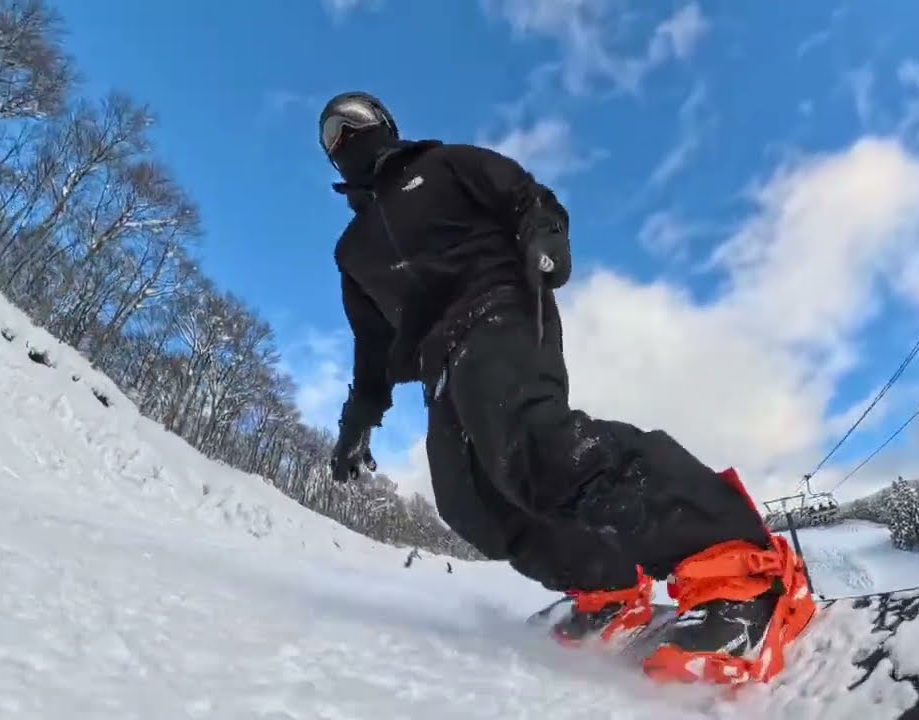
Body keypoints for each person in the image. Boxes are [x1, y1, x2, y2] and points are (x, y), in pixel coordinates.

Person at [318, 90, 815, 688]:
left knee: (534, 442)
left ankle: (738, 567)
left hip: (498, 306)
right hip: (437, 363)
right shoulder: (353, 252)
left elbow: (525, 195)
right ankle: (606, 584)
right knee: (469, 504)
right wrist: (357, 420)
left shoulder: (444, 165)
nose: (343, 137)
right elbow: (371, 348)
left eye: (353, 122)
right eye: (329, 136)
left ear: (385, 124)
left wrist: (545, 234)